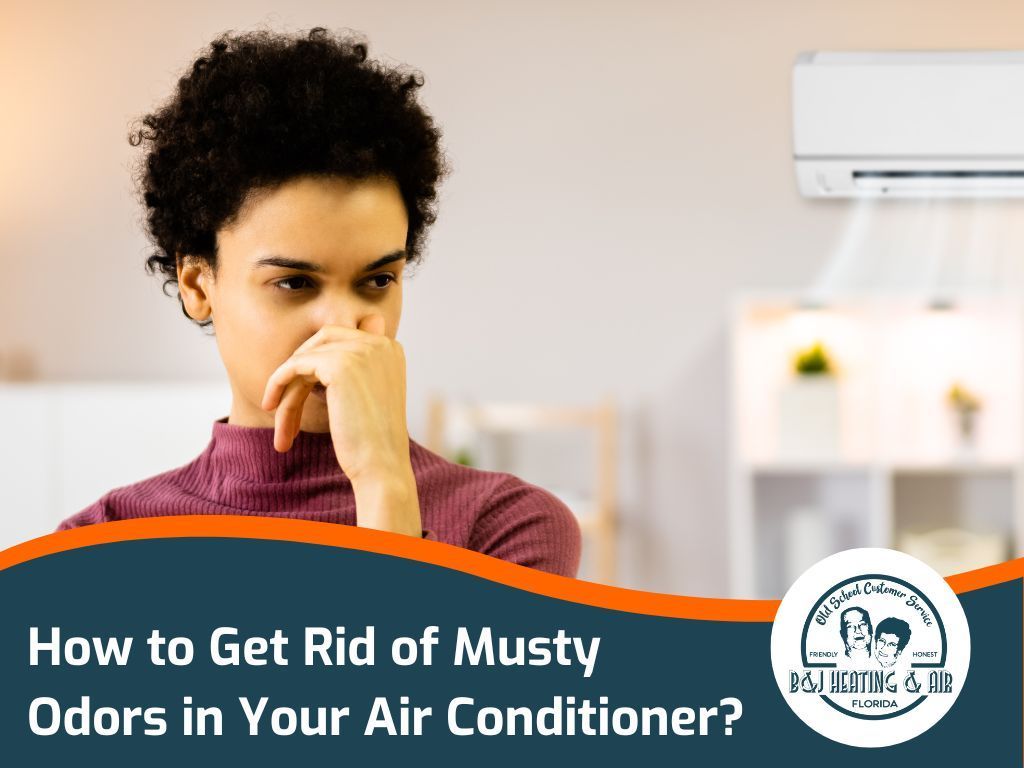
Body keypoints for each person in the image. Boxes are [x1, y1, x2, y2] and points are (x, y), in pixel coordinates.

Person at [55, 27, 582, 578]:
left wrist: (384, 484)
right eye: (294, 283)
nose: (343, 324)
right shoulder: (101, 544)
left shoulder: (507, 527)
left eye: (377, 280)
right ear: (197, 285)